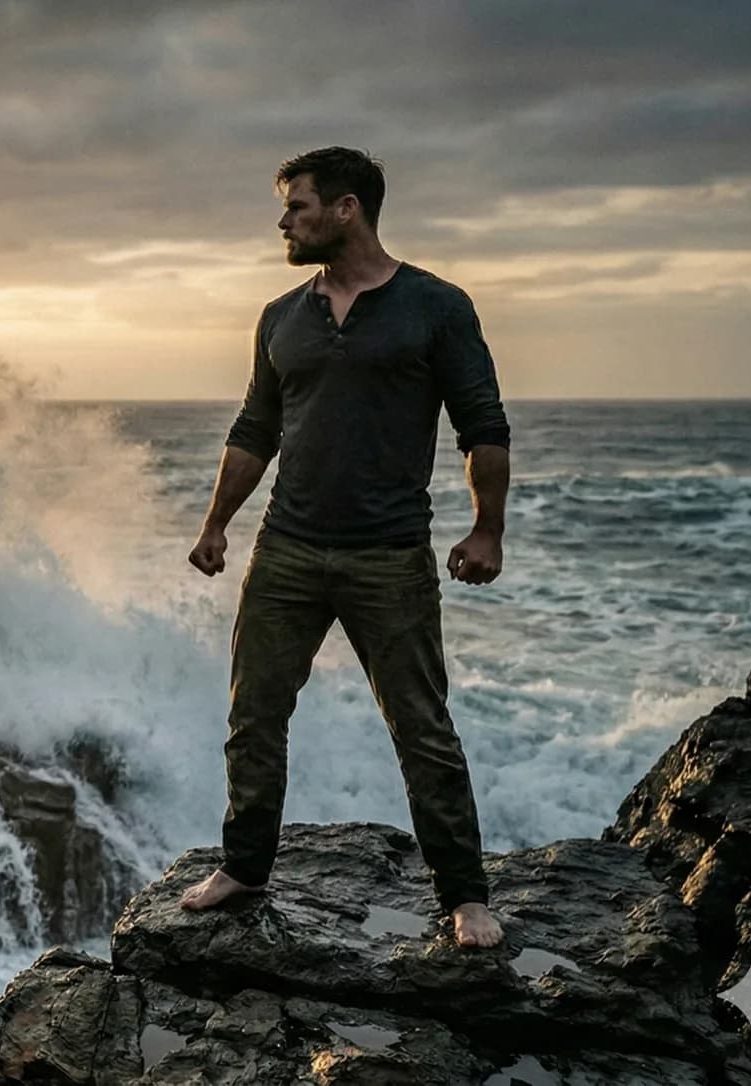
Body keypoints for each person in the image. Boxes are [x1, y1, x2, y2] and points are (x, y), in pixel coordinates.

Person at [178, 146, 511, 949]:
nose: (284, 221)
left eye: (296, 207)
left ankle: (465, 897)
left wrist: (487, 528)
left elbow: (482, 425)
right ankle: (246, 866)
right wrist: (218, 520)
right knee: (253, 714)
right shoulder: (280, 316)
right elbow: (257, 429)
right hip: (286, 549)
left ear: (346, 208)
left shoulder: (435, 306)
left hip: (388, 556)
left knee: (421, 728)